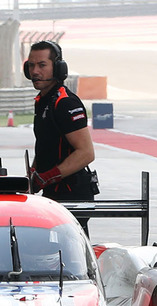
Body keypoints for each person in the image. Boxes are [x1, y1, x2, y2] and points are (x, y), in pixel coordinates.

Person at [24, 40, 96, 233]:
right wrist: (33, 173)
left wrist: (47, 177)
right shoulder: (43, 101)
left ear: (57, 68)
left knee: (69, 254)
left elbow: (86, 153)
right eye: (31, 65)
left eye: (42, 65)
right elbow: (47, 144)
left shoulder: (65, 103)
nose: (35, 71)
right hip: (53, 192)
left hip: (72, 194)